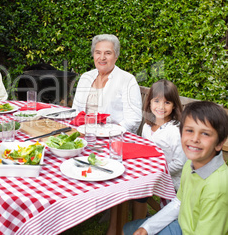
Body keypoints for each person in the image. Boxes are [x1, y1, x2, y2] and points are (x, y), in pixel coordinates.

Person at [123, 101, 228, 235]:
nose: (195, 139)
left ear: (219, 143)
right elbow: (179, 202)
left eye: (205, 134)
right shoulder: (189, 165)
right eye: (189, 131)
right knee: (127, 229)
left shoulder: (217, 187)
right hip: (181, 225)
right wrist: (148, 227)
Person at [132, 79, 186, 220]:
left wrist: (157, 172)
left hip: (171, 181)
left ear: (174, 105)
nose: (161, 106)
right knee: (132, 182)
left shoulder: (174, 130)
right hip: (150, 174)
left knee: (139, 187)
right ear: (149, 102)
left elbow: (180, 163)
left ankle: (145, 220)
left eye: (167, 102)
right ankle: (139, 217)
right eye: (156, 101)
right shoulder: (147, 127)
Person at [72, 34, 142, 133]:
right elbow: (76, 111)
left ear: (116, 56)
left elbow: (133, 120)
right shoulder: (86, 77)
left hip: (114, 138)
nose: (102, 57)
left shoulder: (127, 80)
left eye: (108, 53)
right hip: (84, 134)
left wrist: (106, 133)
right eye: (98, 52)